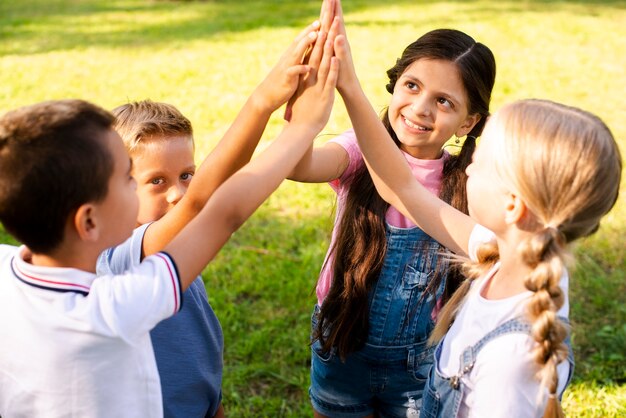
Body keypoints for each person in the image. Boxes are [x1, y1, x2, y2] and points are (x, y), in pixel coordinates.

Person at [0, 16, 338, 417]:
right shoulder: (112, 305)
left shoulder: (8, 268)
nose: (177, 193)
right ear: (88, 222)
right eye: (127, 178)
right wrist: (301, 127)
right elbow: (214, 209)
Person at [332, 11, 622, 416]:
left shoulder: (511, 360)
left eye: (480, 162)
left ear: (513, 204)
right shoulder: (509, 253)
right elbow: (403, 187)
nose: (466, 167)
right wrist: (347, 85)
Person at [288, 2, 495, 417]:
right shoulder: (355, 150)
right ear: (395, 83)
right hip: (342, 343)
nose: (420, 108)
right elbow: (298, 165)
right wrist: (306, 101)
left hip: (418, 362)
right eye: (412, 86)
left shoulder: (471, 182)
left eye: (444, 102)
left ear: (468, 122)